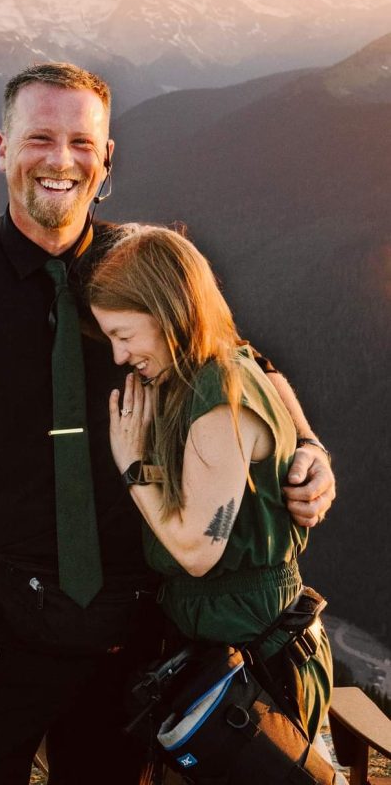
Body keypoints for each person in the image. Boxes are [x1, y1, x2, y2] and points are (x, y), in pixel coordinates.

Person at [0, 62, 335, 785]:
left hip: (138, 641)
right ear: (2, 148)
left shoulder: (145, 269)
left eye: (82, 142)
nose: (60, 159)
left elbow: (244, 363)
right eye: (39, 137)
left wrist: (314, 450)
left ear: (107, 159)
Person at [88, 224, 333, 750]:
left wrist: (134, 466)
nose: (117, 355)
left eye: (123, 335)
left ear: (167, 313)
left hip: (252, 656)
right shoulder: (214, 371)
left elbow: (198, 550)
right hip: (237, 642)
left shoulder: (217, 400)